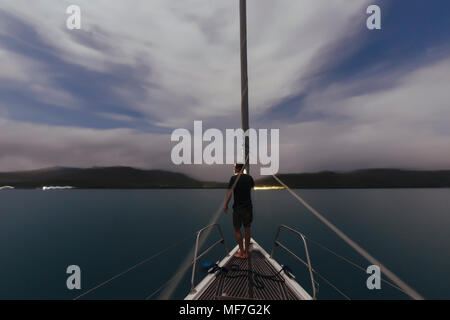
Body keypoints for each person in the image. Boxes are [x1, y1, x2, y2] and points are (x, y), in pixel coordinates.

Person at [223, 163, 255, 259]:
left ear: (238, 169)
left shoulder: (233, 178)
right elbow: (252, 186)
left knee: (237, 229)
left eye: (235, 168)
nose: (234, 169)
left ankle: (241, 253)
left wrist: (226, 205)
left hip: (237, 208)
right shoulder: (249, 178)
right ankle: (246, 253)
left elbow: (229, 193)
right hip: (248, 208)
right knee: (247, 228)